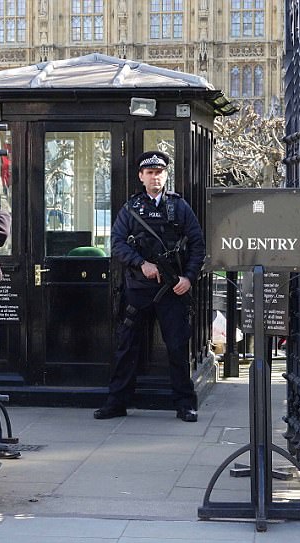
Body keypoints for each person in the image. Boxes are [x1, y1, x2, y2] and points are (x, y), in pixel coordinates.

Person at [94, 151, 206, 422]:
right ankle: (117, 402)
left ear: (166, 175)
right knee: (127, 346)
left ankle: (185, 404)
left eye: (159, 172)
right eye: (150, 173)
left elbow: (198, 245)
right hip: (138, 288)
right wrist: (141, 263)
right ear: (141, 177)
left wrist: (187, 278)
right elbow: (118, 244)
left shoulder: (179, 207)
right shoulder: (131, 208)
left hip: (172, 289)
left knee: (178, 347)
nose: (155, 177)